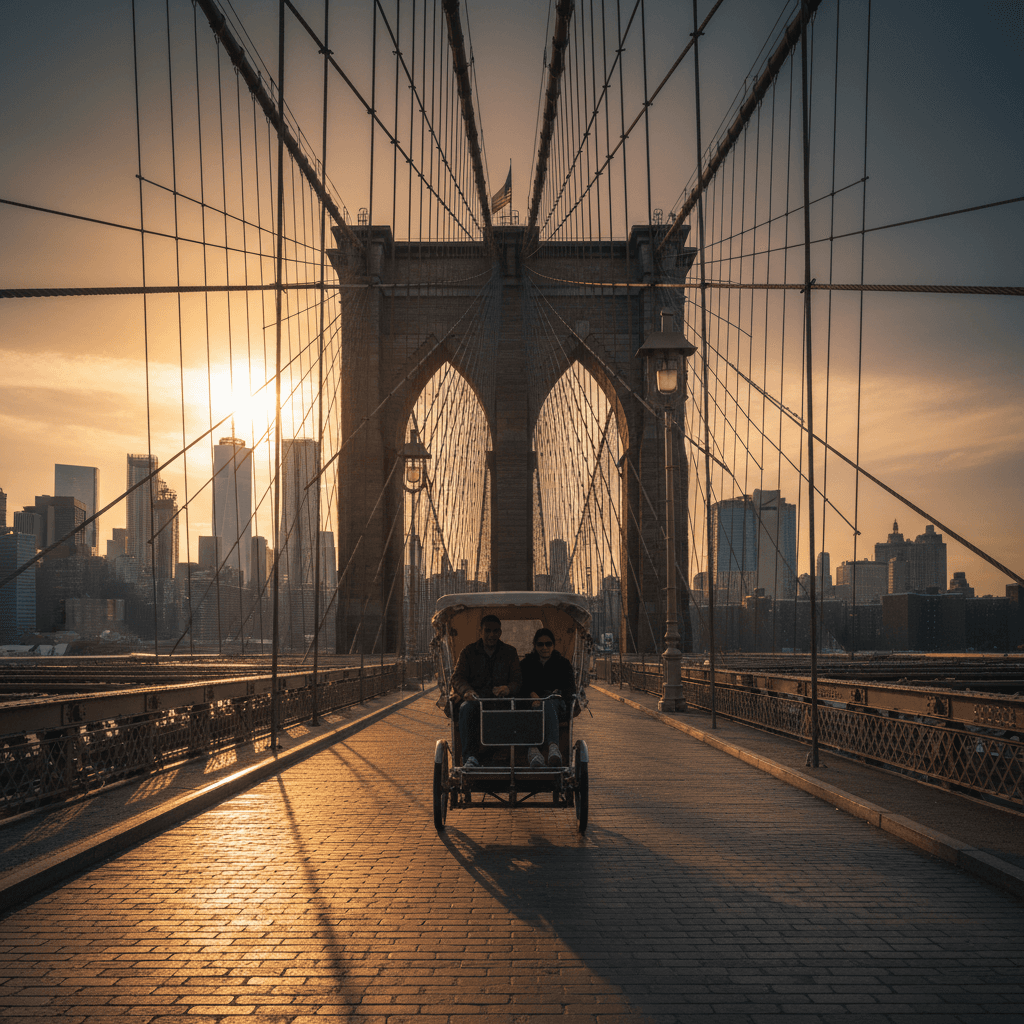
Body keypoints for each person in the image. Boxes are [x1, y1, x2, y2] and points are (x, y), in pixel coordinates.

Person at [451, 614, 522, 767]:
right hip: (476, 701)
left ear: (500, 633)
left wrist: (508, 689)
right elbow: (457, 678)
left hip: (502, 702)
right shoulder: (468, 652)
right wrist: (467, 691)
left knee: (521, 709)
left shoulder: (510, 652)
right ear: (480, 632)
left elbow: (518, 680)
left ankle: (514, 755)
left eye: (495, 631)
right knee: (466, 709)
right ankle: (470, 757)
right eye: (487, 631)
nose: (491, 635)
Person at [519, 627, 575, 768]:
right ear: (535, 646)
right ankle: (533, 750)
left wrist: (557, 693)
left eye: (548, 644)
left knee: (548, 702)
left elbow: (570, 689)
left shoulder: (563, 664)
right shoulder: (526, 664)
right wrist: (531, 694)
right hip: (533, 704)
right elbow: (520, 686)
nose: (544, 647)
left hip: (557, 705)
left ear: (553, 645)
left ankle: (553, 747)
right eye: (540, 644)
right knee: (532, 706)